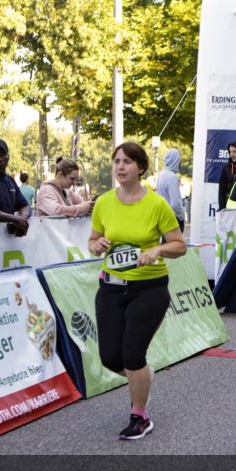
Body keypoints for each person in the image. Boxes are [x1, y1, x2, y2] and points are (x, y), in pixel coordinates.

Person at [87, 141, 186, 440]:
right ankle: (141, 376)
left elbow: (179, 246)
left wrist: (157, 249)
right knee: (110, 359)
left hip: (149, 289)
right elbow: (92, 241)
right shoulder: (104, 202)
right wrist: (97, 245)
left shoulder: (157, 204)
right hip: (111, 288)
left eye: (127, 162)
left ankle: (139, 416)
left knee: (132, 353)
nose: (120, 167)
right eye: (116, 161)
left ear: (140, 168)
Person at [155, 148, 186, 232]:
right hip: (173, 219)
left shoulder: (161, 175)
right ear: (175, 160)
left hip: (163, 217)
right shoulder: (172, 177)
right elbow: (175, 203)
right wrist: (181, 216)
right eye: (178, 160)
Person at [217, 141, 236, 210]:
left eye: (234, 152)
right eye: (230, 152)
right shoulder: (226, 168)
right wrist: (222, 210)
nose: (231, 155)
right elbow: (221, 192)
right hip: (230, 210)